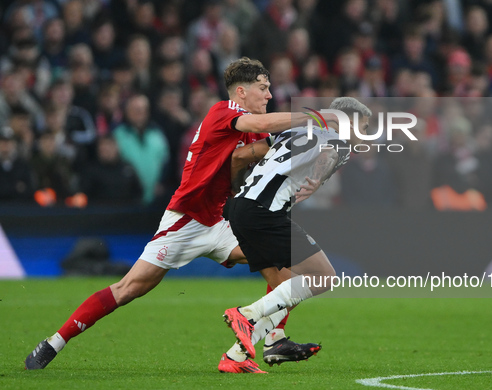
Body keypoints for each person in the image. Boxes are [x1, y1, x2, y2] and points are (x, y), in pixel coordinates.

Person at [24, 57, 329, 373]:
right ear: (241, 91)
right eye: (263, 89)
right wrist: (315, 117)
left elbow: (258, 165)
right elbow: (263, 128)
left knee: (280, 266)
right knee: (129, 289)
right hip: (185, 220)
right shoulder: (223, 112)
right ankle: (53, 343)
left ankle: (263, 344)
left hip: (219, 221)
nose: (268, 95)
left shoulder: (252, 134)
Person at [223, 97, 371, 364]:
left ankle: (241, 354)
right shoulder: (341, 142)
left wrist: (234, 191)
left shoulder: (292, 131)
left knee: (285, 287)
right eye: (365, 126)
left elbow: (240, 155)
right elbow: (330, 154)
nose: (367, 135)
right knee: (324, 277)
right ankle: (248, 314)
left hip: (240, 209)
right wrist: (319, 177)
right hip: (264, 213)